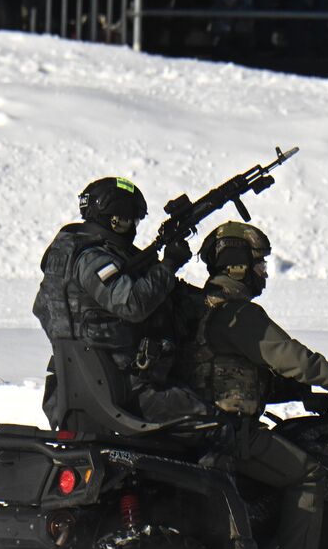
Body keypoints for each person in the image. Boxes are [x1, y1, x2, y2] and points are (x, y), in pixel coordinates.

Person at [174, 222, 328, 549]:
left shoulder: (197, 310)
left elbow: (228, 377)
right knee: (309, 475)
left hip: (197, 431)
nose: (264, 272)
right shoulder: (239, 315)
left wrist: (302, 395)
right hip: (229, 437)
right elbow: (297, 360)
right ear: (238, 264)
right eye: (258, 263)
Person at [31, 177, 211, 437]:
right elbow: (131, 304)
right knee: (214, 426)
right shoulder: (92, 258)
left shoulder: (66, 257)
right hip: (122, 386)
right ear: (117, 219)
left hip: (77, 386)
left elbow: (44, 309)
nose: (134, 227)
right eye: (132, 220)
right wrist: (168, 265)